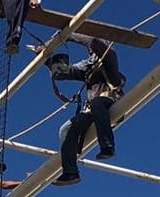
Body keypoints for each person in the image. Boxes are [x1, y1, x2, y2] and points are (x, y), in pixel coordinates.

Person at [45, 35, 125, 186]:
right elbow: (64, 72)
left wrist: (69, 34)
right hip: (93, 109)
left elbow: (94, 42)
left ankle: (107, 146)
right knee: (66, 129)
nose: (89, 48)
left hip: (110, 101)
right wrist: (46, 58)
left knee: (97, 104)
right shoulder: (88, 65)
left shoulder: (109, 56)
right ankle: (70, 172)